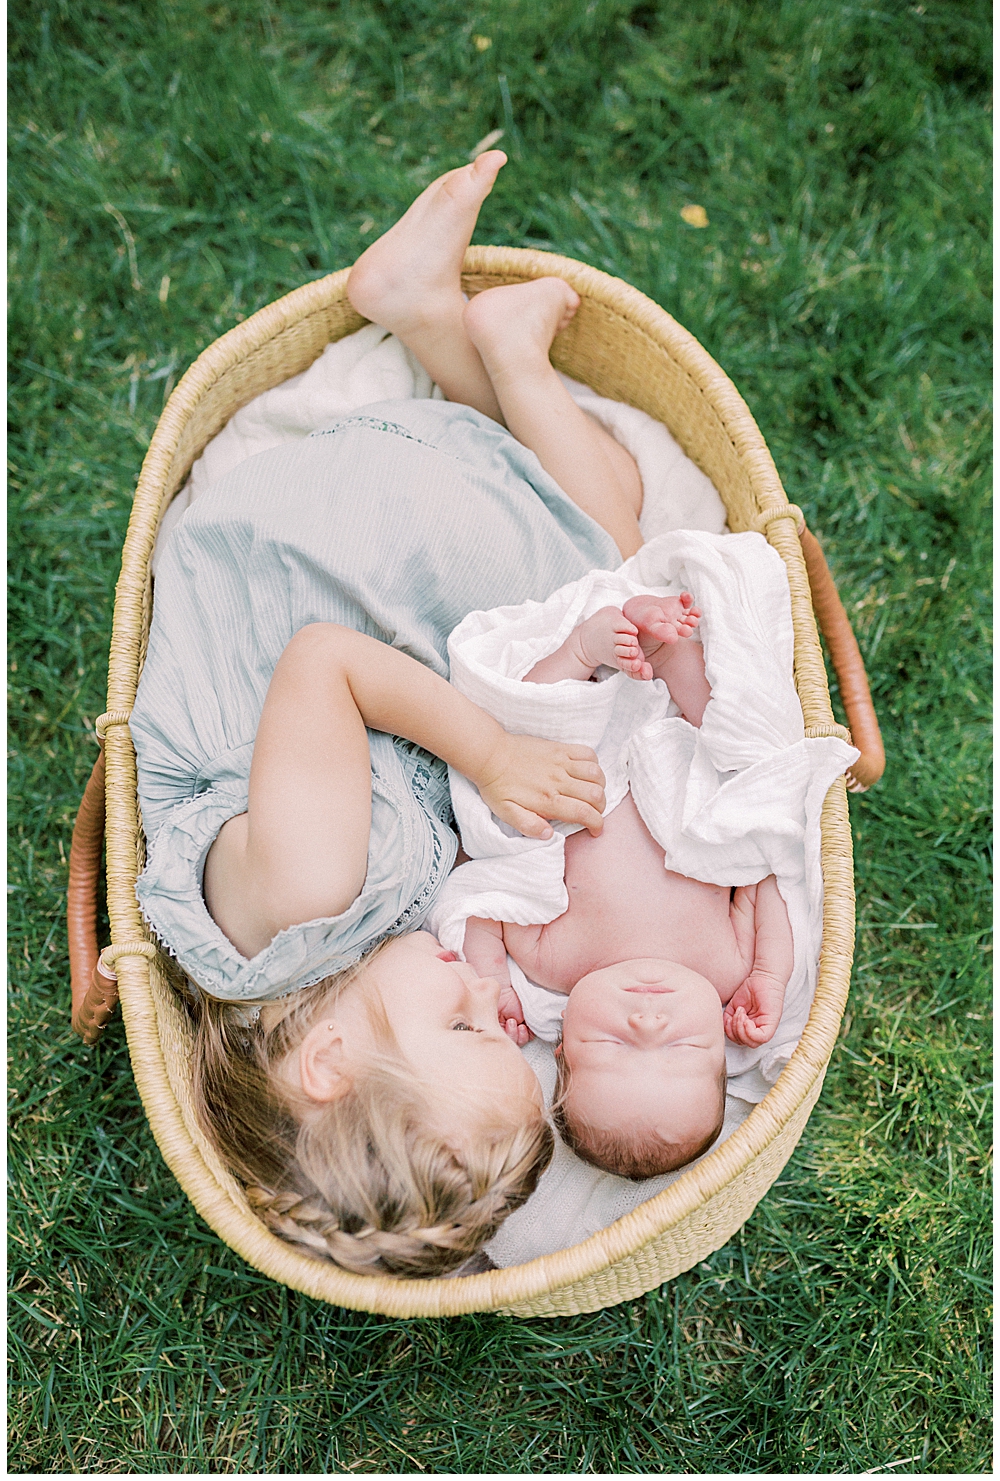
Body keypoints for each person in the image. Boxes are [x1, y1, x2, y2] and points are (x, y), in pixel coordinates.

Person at [129, 151, 657, 1276]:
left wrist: (495, 745)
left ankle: (493, 350)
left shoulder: (308, 898)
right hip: (337, 572)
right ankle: (429, 314)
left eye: (464, 1024)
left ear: (321, 1064)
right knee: (577, 573)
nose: (488, 997)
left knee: (605, 541)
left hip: (310, 557)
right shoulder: (321, 958)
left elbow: (324, 665)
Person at [461, 590, 795, 1182]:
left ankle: (583, 649)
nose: (647, 1026)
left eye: (613, 1049)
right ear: (723, 1047)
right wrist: (768, 977)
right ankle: (668, 654)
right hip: (682, 758)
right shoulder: (724, 968)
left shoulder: (553, 964)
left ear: (561, 1045)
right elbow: (765, 883)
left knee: (522, 726)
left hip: (585, 763)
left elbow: (488, 897)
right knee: (742, 754)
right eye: (683, 1051)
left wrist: (491, 983)